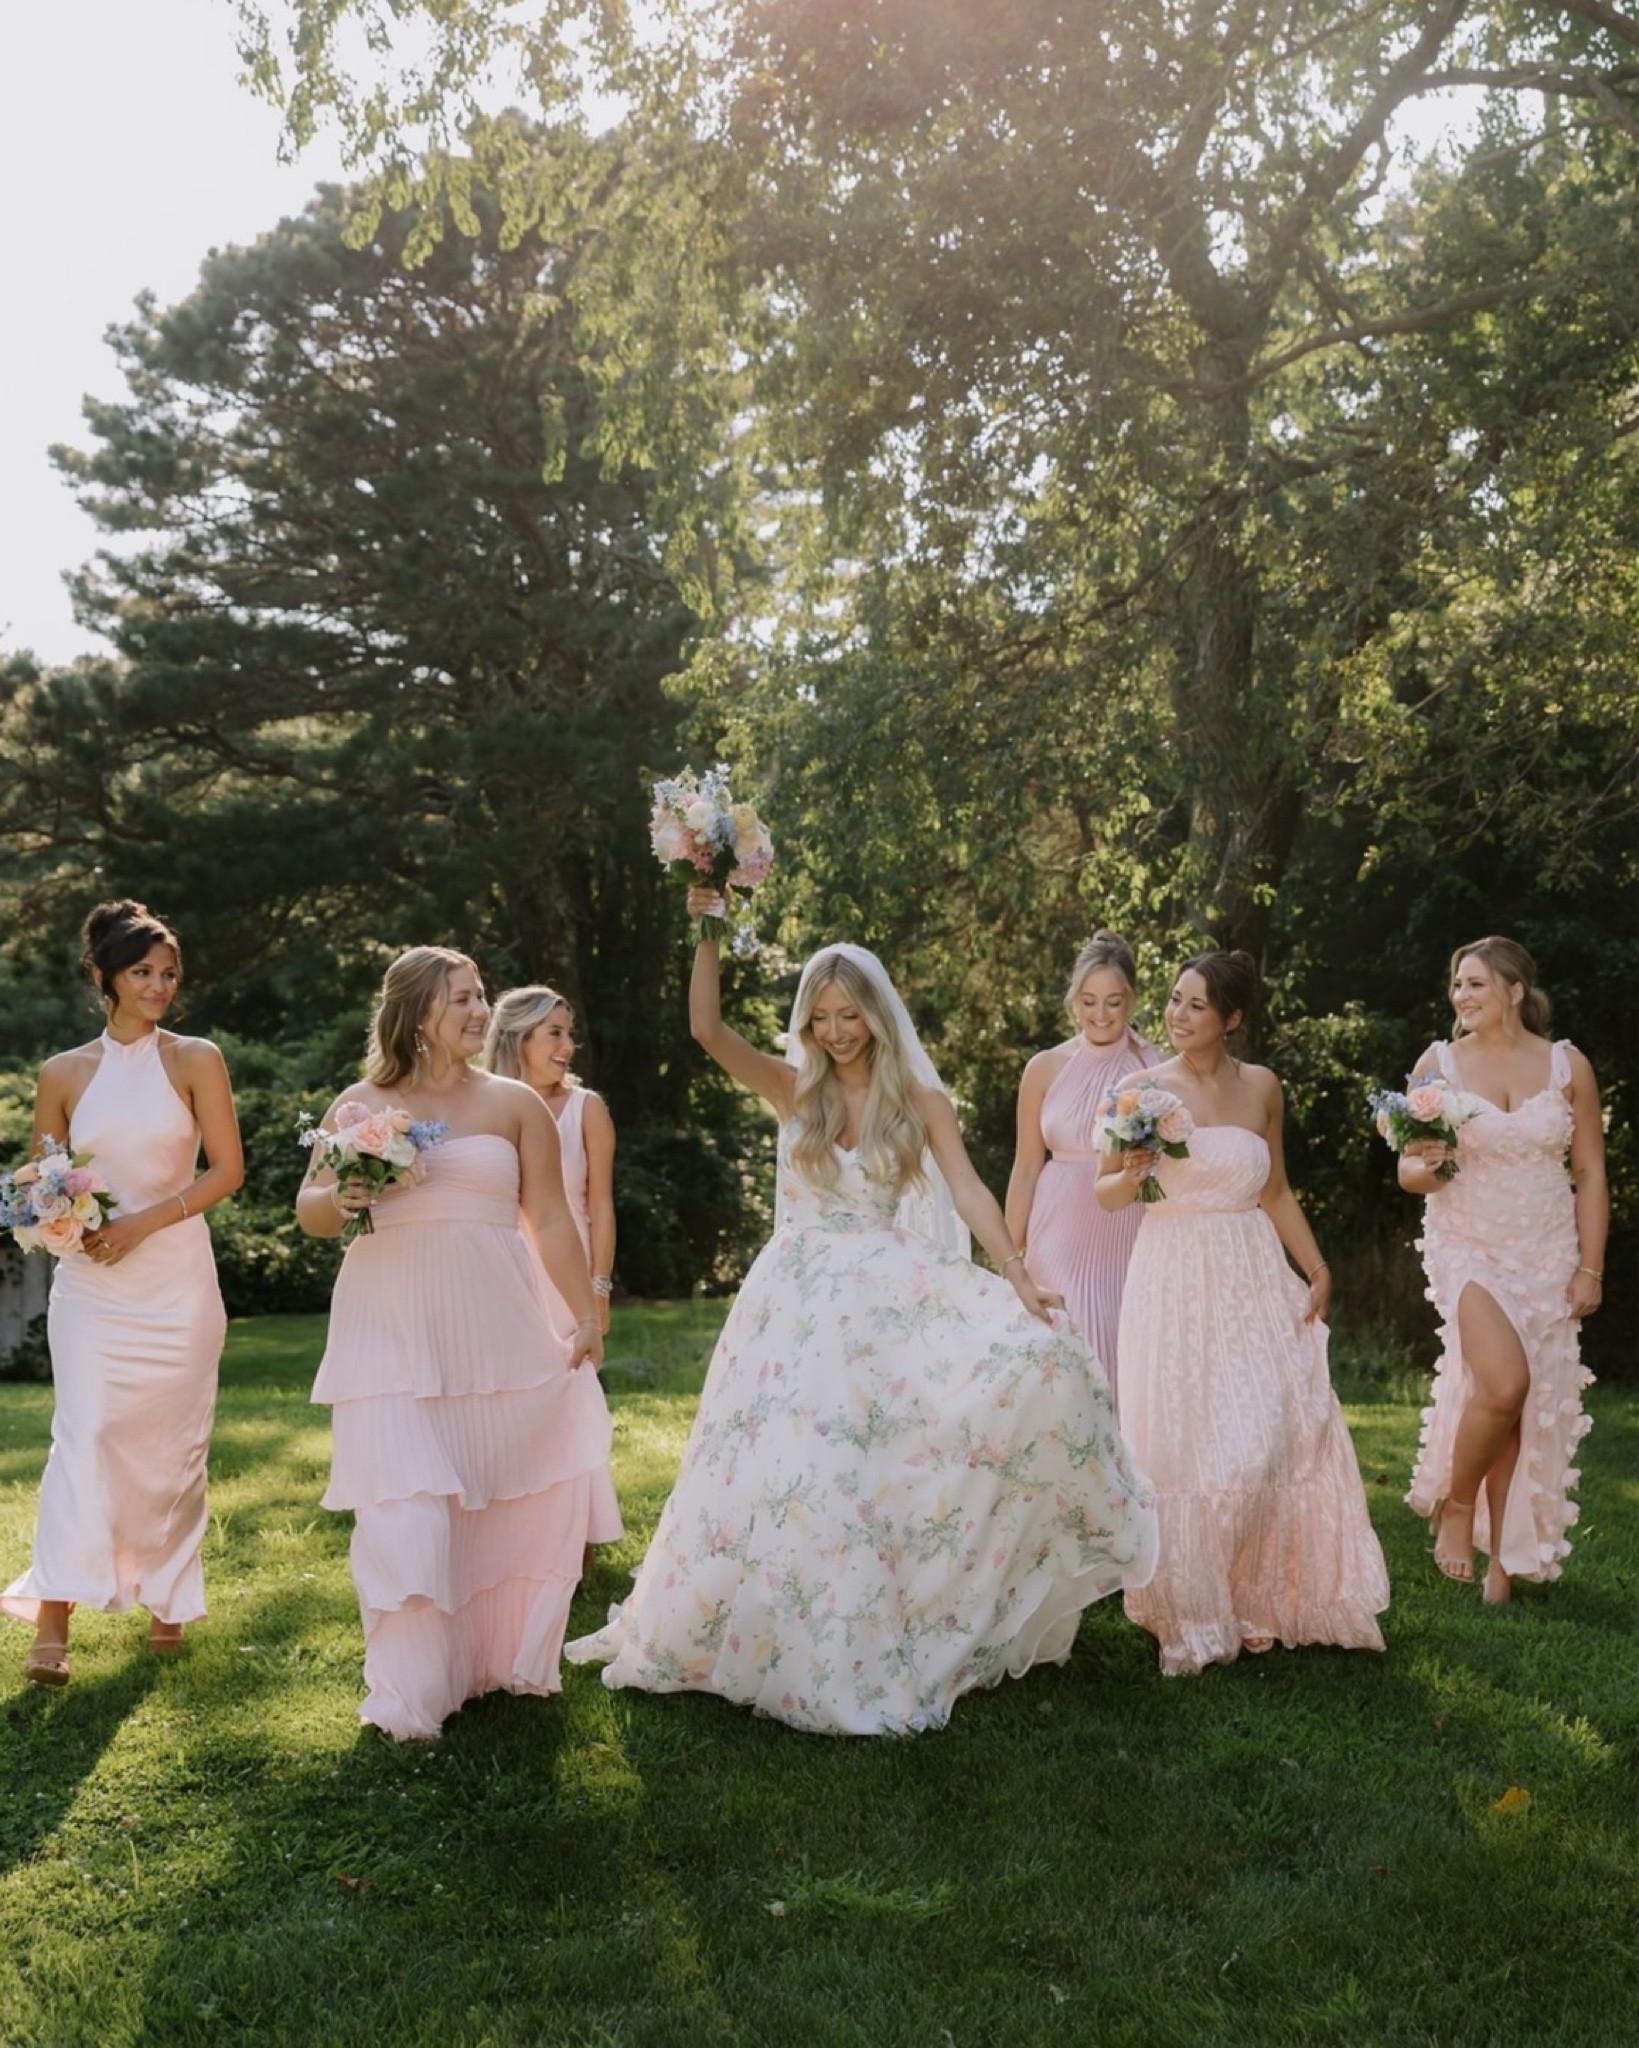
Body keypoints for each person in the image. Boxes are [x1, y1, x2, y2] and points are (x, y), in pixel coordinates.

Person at [565, 887, 1157, 1736]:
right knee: (786, 1468)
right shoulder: (790, 1088)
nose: (837, 1031)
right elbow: (705, 1030)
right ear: (807, 1023)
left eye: (850, 1015)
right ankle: (764, 1626)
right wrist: (706, 923)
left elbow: (968, 1190)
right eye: (823, 1017)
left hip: (885, 1293)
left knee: (889, 1454)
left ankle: (883, 1622)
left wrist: (1019, 1278)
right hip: (793, 1305)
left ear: (877, 1017)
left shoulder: (920, 1103)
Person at [297, 946, 622, 1740]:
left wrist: (584, 1314)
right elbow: (309, 1208)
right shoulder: (360, 1102)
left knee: (489, 1494)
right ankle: (410, 1691)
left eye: (481, 998)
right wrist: (346, 1192)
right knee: (406, 1515)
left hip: (494, 1321)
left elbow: (547, 1217)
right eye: (461, 1001)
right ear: (413, 1013)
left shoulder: (516, 1104)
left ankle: (488, 1660)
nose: (480, 1012)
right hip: (388, 1323)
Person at [1097, 949, 1388, 1676]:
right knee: (1186, 1446)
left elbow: (1277, 1190)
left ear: (1230, 1018)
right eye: (1173, 1000)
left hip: (1251, 1271)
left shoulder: (1262, 1088)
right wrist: (1131, 1172)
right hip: (1172, 1277)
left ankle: (1263, 1594)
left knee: (1262, 1433)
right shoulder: (1138, 1090)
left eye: (1196, 1004)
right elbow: (1103, 1194)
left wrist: (1315, 1265)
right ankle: (1192, 1610)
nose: (1176, 1014)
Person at [3, 900, 243, 1685]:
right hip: (94, 1289)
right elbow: (43, 1178)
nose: (160, 985)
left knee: (175, 1440)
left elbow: (226, 1173)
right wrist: (60, 1221)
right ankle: (52, 1620)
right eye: (143, 971)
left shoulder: (195, 1059)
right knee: (87, 1433)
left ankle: (169, 1595)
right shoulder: (64, 1072)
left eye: (169, 973)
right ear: (105, 976)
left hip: (177, 1281)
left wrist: (141, 1224)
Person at [1401, 937, 1606, 1605]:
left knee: (1524, 1405)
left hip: (1546, 1250)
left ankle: (1503, 1559)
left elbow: (1589, 1171)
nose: (1460, 996)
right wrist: (1427, 1165)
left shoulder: (1565, 1065)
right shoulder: (1436, 1065)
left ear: (1514, 992)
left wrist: (1590, 1267)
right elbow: (1407, 1170)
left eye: (1475, 984)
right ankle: (1456, 1508)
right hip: (1467, 1242)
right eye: (1456, 985)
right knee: (1502, 1382)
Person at [1005, 932, 1162, 1413]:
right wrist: (1008, 1259)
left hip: (1125, 1228)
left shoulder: (1153, 1066)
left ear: (1131, 999)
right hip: (1057, 1228)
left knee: (1116, 1351)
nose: (1100, 1014)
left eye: (1113, 1002)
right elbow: (1027, 1167)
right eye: (1089, 1001)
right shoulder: (1044, 1068)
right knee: (1063, 1355)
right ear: (1073, 997)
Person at [482, 985, 616, 1336]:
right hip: (500, 1270)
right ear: (518, 1039)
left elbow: (601, 1206)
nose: (568, 1047)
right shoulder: (483, 1108)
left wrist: (599, 1288)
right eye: (554, 1033)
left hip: (567, 1274)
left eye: (569, 1035)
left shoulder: (586, 1109)